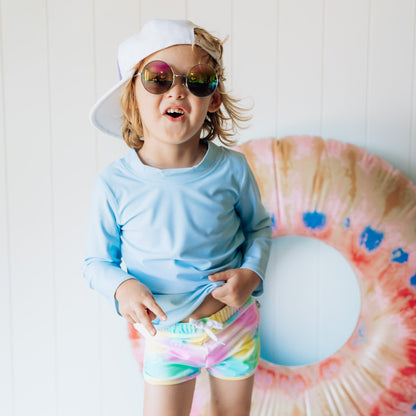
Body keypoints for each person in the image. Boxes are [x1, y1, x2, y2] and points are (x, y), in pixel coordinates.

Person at [83, 19, 272, 416]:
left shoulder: (232, 169)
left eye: (198, 80)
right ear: (131, 96)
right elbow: (97, 262)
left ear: (213, 99)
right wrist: (122, 288)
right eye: (159, 78)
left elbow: (258, 229)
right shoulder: (114, 184)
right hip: (167, 337)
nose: (179, 91)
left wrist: (251, 273)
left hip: (234, 323)